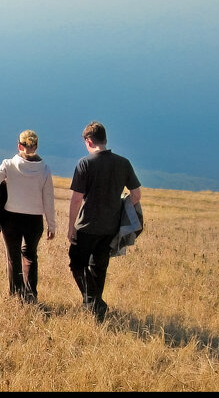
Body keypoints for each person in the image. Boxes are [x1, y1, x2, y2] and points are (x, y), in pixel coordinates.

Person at [67, 121, 141, 322]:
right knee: (99, 267)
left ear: (88, 141)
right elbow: (136, 195)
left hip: (87, 226)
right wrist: (119, 207)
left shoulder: (85, 163)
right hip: (111, 227)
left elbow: (76, 199)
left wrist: (71, 226)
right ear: (105, 139)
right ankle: (94, 309)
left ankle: (95, 303)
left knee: (76, 263)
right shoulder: (123, 163)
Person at [0, 129, 56, 303]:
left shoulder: (8, 164)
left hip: (11, 219)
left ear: (19, 146)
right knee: (30, 255)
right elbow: (49, 199)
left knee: (13, 256)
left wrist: (6, 180)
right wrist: (52, 225)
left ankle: (16, 295)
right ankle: (31, 295)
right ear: (36, 146)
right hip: (35, 220)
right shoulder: (44, 169)